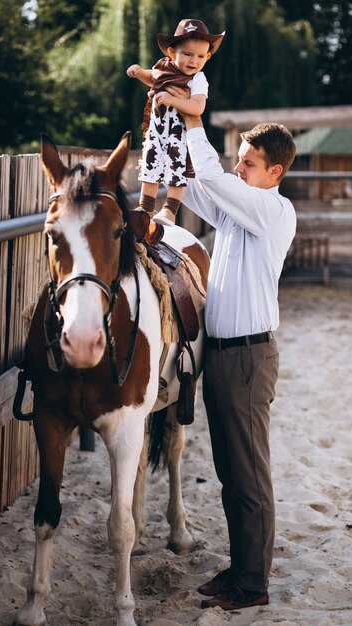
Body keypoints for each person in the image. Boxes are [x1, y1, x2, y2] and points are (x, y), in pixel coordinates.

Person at [175, 107, 297, 610]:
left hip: (249, 358)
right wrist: (170, 128)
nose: (238, 168)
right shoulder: (236, 207)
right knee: (230, 471)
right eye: (239, 159)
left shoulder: (272, 210)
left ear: (275, 172)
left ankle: (253, 585)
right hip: (223, 359)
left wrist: (196, 119)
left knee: (249, 475)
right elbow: (191, 181)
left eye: (248, 163)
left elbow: (209, 174)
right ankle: (240, 568)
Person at [126, 19, 224, 226]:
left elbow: (198, 107)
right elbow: (153, 77)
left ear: (207, 57)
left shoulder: (197, 79)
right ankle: (145, 206)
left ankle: (170, 209)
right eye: (187, 54)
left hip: (180, 135)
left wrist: (173, 100)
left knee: (177, 168)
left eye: (200, 56)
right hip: (157, 131)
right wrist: (138, 72)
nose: (193, 61)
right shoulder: (163, 67)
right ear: (172, 54)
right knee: (151, 166)